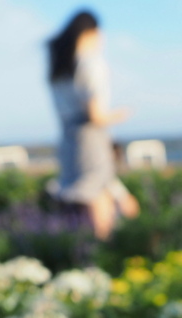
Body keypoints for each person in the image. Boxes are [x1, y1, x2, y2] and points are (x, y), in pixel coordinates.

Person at [47, 10, 140, 240]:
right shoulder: (91, 64)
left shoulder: (61, 67)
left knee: (80, 195)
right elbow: (96, 115)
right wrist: (120, 114)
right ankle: (102, 253)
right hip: (90, 137)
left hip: (69, 138)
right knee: (98, 197)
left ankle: (81, 251)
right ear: (91, 32)